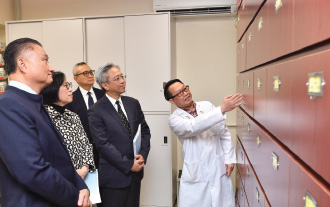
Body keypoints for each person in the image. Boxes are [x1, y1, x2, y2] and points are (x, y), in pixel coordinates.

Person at [0, 38, 91, 207]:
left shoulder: (34, 102)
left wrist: (82, 186)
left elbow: (61, 158)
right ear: (23, 64)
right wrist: (76, 196)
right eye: (45, 60)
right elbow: (32, 171)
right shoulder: (8, 104)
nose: (51, 67)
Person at [164, 79, 242, 207]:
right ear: (171, 101)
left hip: (218, 167)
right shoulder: (174, 120)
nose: (185, 93)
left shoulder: (207, 106)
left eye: (185, 89)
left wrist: (229, 159)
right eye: (179, 93)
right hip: (196, 173)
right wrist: (221, 109)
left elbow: (224, 133)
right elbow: (193, 126)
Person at [88, 63, 151, 207]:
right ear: (105, 85)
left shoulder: (133, 103)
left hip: (135, 175)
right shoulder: (96, 110)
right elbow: (102, 144)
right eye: (117, 78)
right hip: (114, 176)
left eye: (122, 76)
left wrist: (143, 154)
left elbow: (145, 131)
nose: (122, 81)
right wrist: (129, 165)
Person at [41, 71, 96, 180]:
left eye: (69, 85)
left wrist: (84, 168)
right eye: (66, 86)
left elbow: (86, 144)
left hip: (83, 177)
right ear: (52, 89)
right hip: (58, 180)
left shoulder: (73, 116)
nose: (70, 89)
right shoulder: (43, 117)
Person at [66, 62, 104, 170]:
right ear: (76, 78)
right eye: (85, 73)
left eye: (91, 72)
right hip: (84, 152)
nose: (90, 75)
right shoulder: (70, 99)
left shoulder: (103, 95)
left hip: (105, 148)